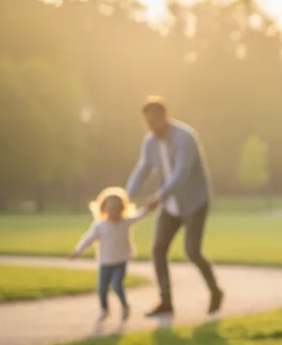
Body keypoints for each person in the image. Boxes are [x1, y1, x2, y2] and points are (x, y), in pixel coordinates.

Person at [125, 97, 223, 318]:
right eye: (146, 123)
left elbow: (182, 172)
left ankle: (215, 291)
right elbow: (142, 169)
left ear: (164, 117)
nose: (150, 127)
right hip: (170, 206)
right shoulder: (150, 141)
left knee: (192, 251)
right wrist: (126, 196)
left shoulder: (185, 137)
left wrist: (159, 196)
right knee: (158, 250)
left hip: (194, 202)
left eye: (153, 121)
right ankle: (166, 301)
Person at [68, 186, 155, 322]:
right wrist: (79, 250)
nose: (114, 212)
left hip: (120, 261)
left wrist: (148, 208)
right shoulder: (100, 226)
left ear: (122, 209)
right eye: (111, 208)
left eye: (117, 208)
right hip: (105, 262)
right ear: (104, 209)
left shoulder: (125, 222)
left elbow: (139, 216)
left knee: (116, 285)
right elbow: (89, 238)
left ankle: (125, 306)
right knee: (101, 289)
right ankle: (104, 309)